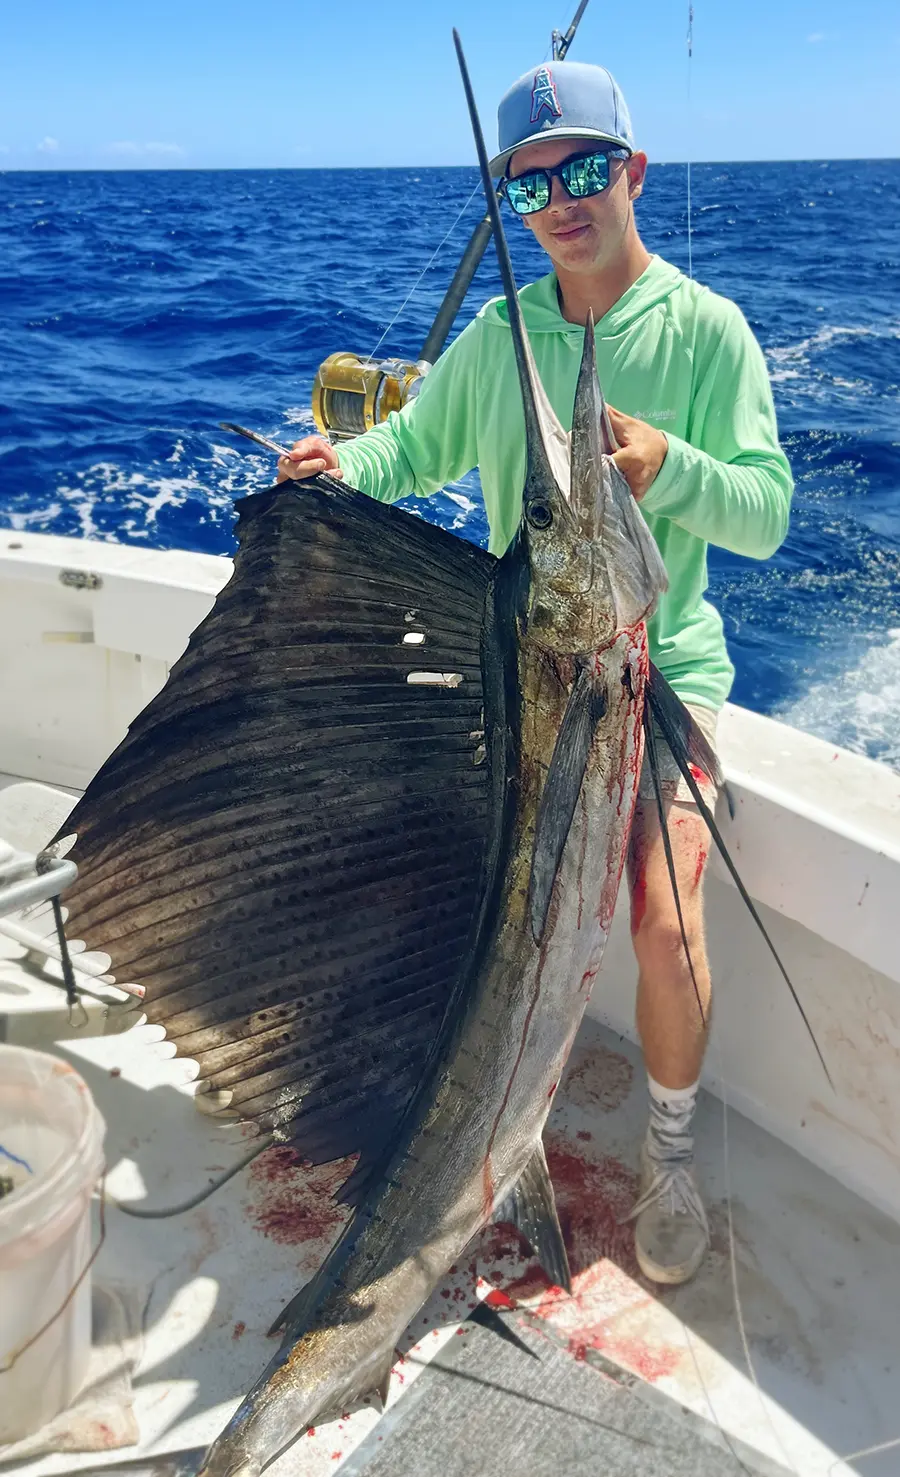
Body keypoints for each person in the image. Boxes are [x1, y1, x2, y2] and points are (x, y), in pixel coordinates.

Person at [276, 60, 792, 1286]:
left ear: (632, 171)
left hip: (657, 675)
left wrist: (675, 468)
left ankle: (668, 1151)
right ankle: (461, 1105)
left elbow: (766, 512)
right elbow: (414, 441)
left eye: (583, 168)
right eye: (531, 183)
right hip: (527, 671)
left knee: (665, 924)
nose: (562, 200)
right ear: (515, 203)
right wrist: (342, 469)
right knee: (448, 905)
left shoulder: (709, 331)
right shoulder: (504, 334)